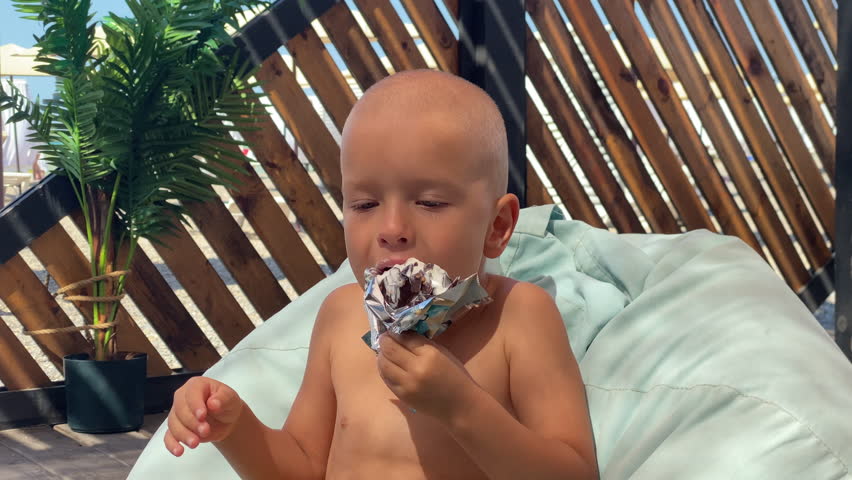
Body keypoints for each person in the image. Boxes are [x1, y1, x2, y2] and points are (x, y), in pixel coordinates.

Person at [163, 70, 598, 479]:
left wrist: (462, 408)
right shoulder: (340, 315)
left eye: (429, 202)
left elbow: (575, 472)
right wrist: (236, 429)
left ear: (497, 227)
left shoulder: (518, 317)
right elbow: (301, 466)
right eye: (365, 205)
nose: (391, 230)